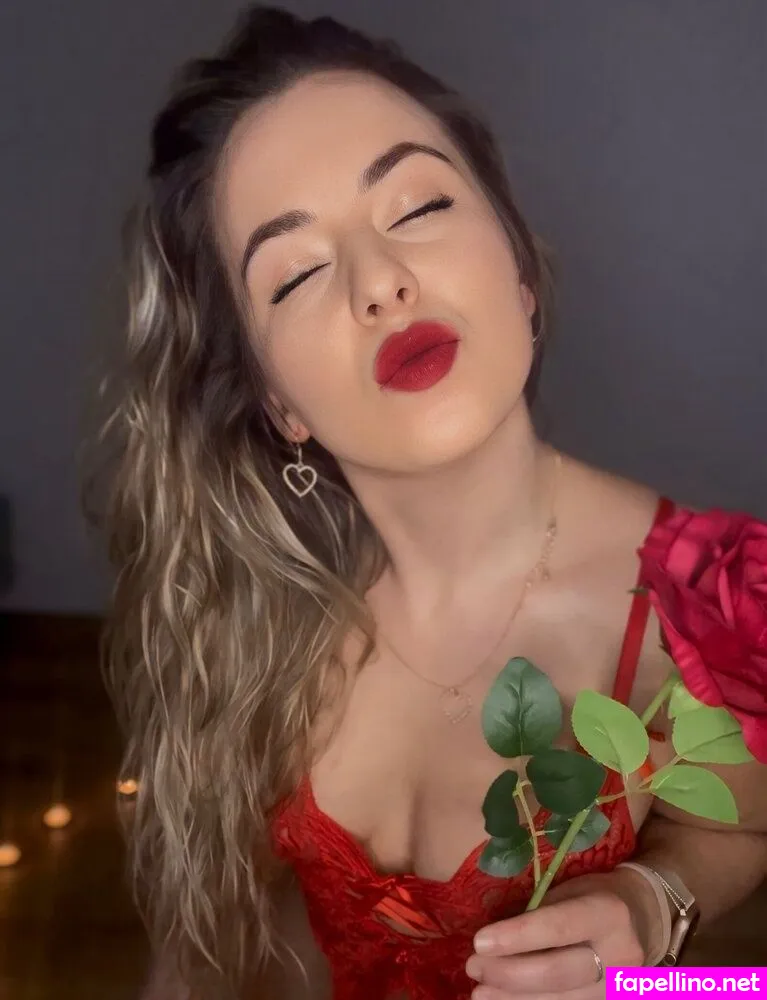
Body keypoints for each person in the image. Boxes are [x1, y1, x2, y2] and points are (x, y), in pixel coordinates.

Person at [91, 7, 767, 1000]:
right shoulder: (247, 621)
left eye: (417, 207)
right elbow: (208, 954)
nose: (380, 283)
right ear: (277, 402)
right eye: (297, 272)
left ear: (517, 267)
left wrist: (650, 921)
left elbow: (743, 967)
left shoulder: (721, 603)